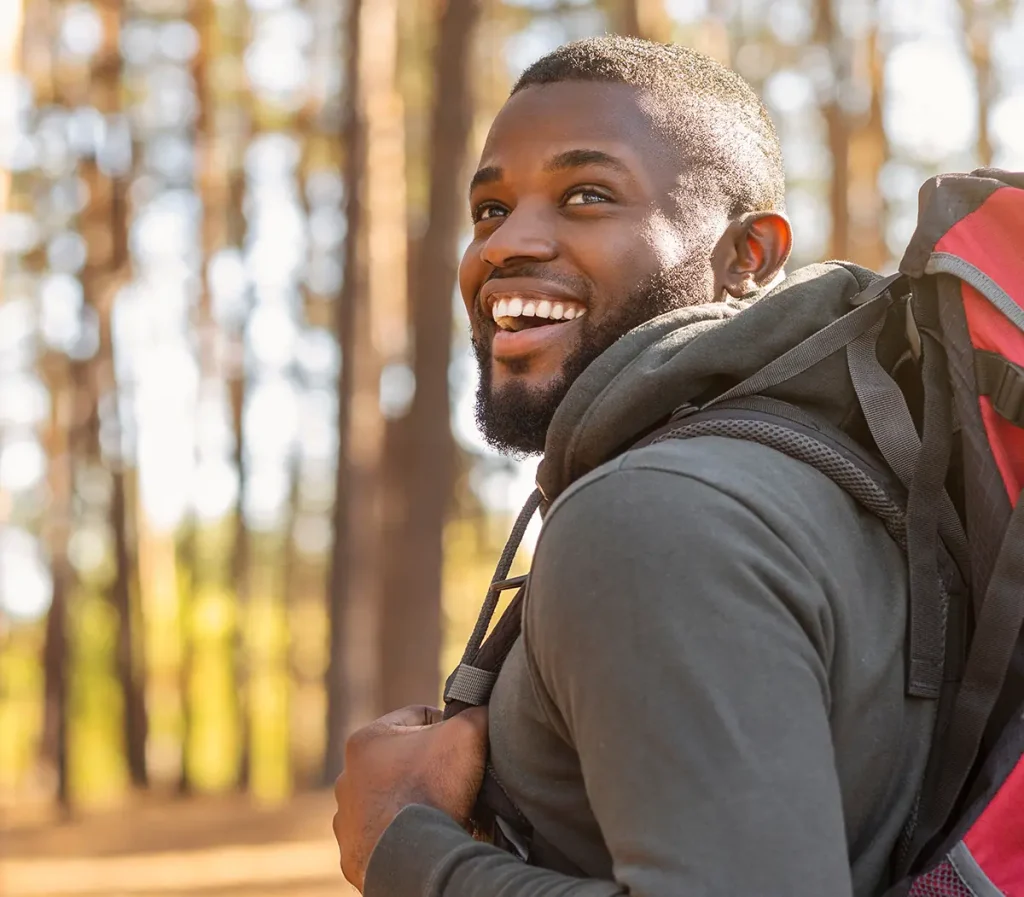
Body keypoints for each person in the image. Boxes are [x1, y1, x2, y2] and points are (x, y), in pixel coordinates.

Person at [333, 36, 934, 897]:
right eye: (491, 209)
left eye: (586, 195)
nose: (505, 246)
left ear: (746, 259)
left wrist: (402, 846)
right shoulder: (823, 484)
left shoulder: (656, 516)